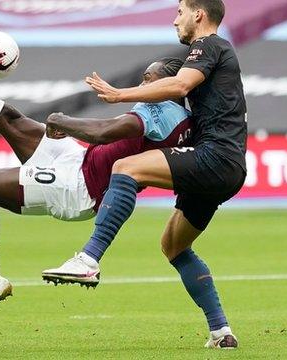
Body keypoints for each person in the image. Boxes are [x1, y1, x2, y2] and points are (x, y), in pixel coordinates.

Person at [0, 17, 192, 325]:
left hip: (77, 187)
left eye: (150, 80)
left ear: (169, 85)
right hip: (77, 160)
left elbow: (107, 130)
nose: (143, 86)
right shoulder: (182, 117)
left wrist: (60, 120)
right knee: (9, 117)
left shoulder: (160, 109)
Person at [44, 0, 246, 349]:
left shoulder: (209, 44)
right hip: (226, 167)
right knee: (173, 245)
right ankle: (221, 332)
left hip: (216, 156)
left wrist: (121, 94)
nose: (174, 20)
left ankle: (88, 259)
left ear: (198, 14)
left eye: (180, 12)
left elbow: (180, 85)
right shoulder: (213, 55)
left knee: (126, 168)